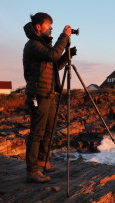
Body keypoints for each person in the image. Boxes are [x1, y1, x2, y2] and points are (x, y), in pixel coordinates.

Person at [23, 12, 76, 183]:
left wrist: (68, 56)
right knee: (37, 132)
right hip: (38, 94)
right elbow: (52, 55)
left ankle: (42, 161)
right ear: (39, 27)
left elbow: (54, 66)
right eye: (48, 25)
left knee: (49, 129)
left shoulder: (43, 46)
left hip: (49, 93)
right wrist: (64, 36)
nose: (51, 28)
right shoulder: (33, 45)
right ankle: (32, 171)